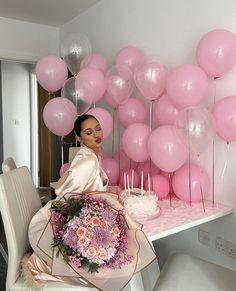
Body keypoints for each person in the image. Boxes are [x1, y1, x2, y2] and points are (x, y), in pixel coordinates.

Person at [25, 114, 109, 285]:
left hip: (74, 215)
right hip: (51, 225)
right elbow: (69, 199)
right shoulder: (87, 162)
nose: (96, 135)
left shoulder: (91, 155)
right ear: (79, 138)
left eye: (98, 128)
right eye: (89, 132)